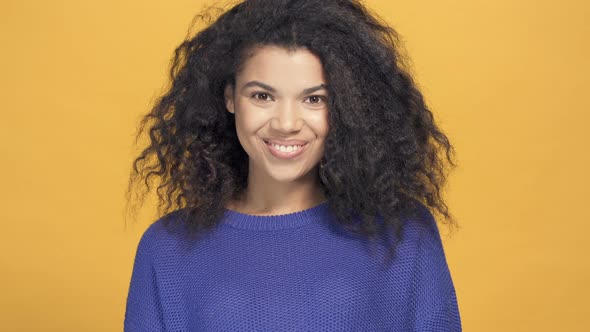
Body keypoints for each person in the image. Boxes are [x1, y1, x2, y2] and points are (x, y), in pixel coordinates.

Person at [124, 0, 461, 330]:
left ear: (347, 106)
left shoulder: (402, 233)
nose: (286, 123)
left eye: (314, 99)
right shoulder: (167, 248)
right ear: (229, 97)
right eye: (262, 96)